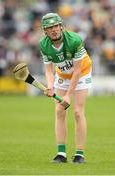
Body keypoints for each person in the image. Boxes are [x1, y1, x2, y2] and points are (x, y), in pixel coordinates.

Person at [39, 13, 92, 163]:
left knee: (77, 112)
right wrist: (50, 87)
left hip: (82, 72)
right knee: (59, 110)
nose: (54, 30)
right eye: (49, 28)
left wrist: (68, 95)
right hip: (62, 75)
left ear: (61, 26)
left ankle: (79, 154)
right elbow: (49, 70)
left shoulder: (74, 40)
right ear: (45, 31)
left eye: (55, 26)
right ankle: (61, 154)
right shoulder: (43, 44)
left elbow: (77, 71)